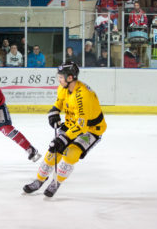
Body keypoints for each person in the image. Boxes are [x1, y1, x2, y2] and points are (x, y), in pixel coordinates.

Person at [23, 61, 107, 197]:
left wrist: (64, 138)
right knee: (53, 150)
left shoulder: (84, 95)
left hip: (91, 129)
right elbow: (60, 102)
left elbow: (82, 125)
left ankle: (56, 182)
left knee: (70, 153)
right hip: (72, 123)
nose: (59, 79)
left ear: (70, 78)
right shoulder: (63, 88)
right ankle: (39, 180)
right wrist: (54, 111)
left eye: (61, 77)